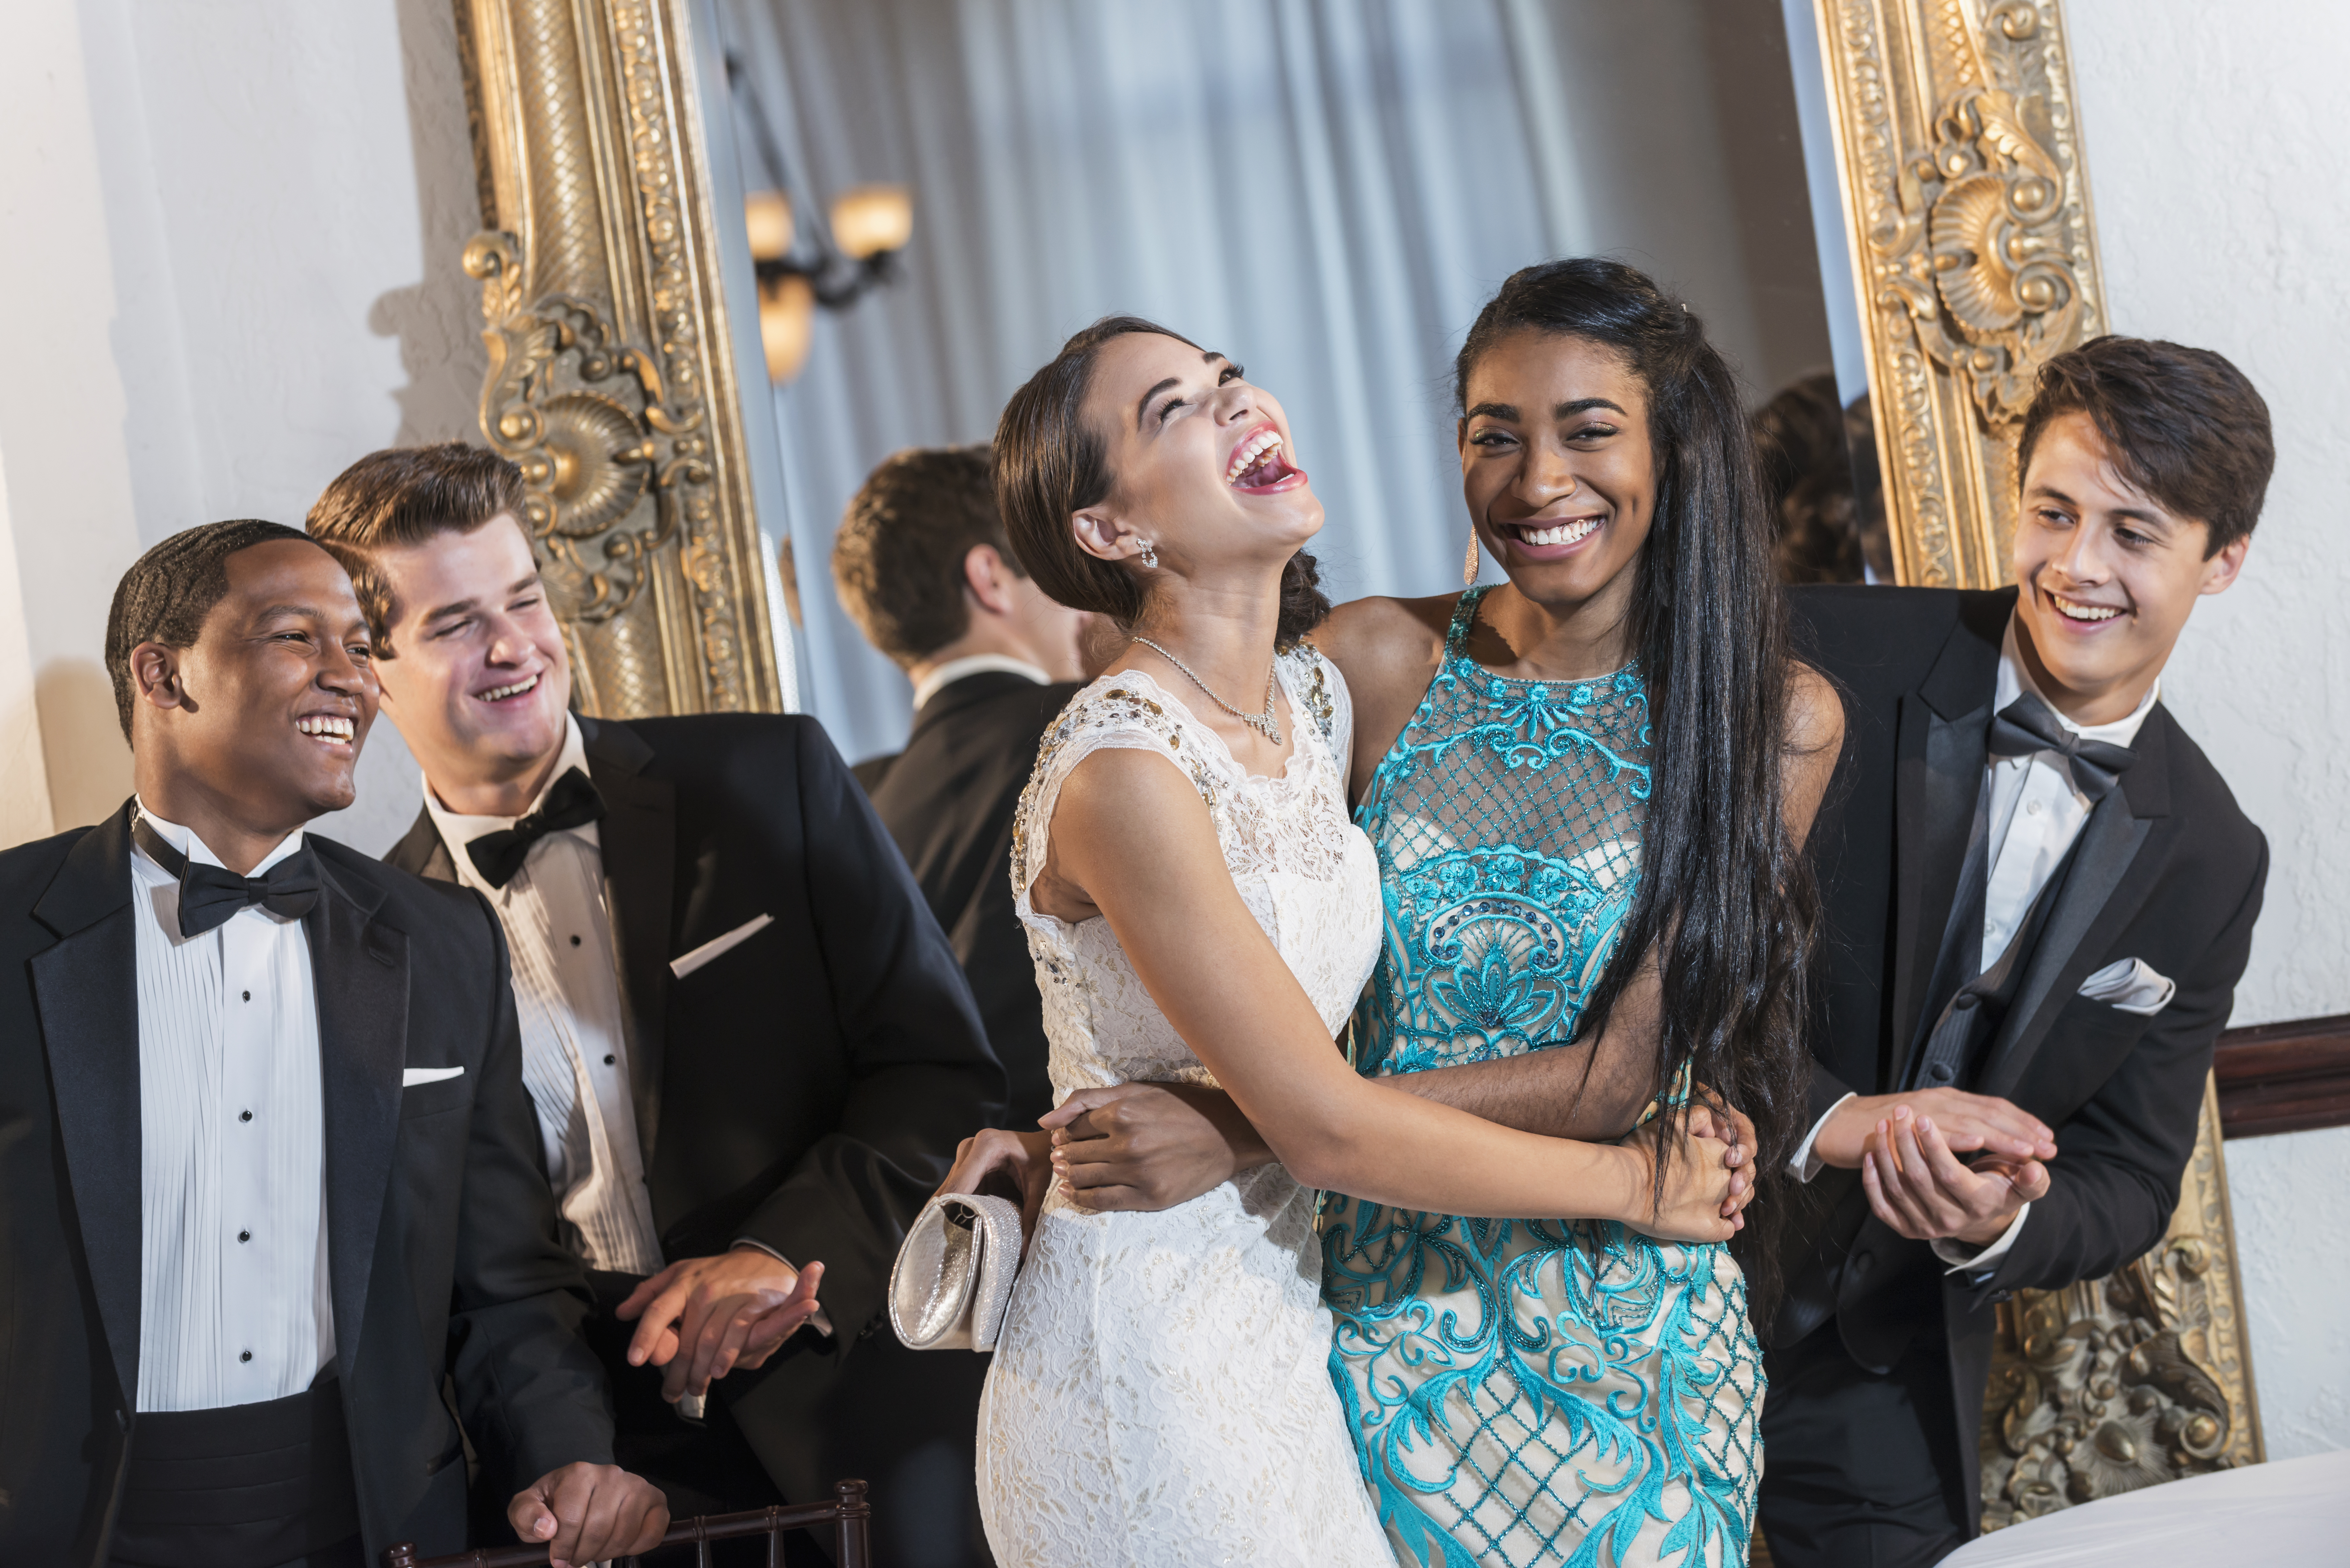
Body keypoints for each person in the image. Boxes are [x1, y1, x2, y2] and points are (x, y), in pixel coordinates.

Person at [992, 261, 1843, 1567]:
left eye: (1587, 431)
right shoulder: (1368, 667)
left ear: (1672, 451)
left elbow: (1621, 1075)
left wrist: (1235, 1132)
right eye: (1493, 436)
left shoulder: (1770, 719)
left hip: (1631, 1315)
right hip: (1366, 1328)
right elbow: (1163, 952)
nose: (1537, 479)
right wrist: (1043, 1135)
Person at [305, 447, 1007, 1567]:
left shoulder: (773, 771)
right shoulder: (364, 952)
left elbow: (941, 1072)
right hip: (610, 1487)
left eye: (525, 599)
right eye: (453, 626)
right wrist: (564, 1451)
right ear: (368, 669)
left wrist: (782, 1251)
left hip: (866, 1412)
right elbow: (457, 1268)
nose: (513, 646)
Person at [0, 521, 667, 1568]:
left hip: (376, 1524)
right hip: (72, 1530)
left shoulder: (445, 942)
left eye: (360, 646)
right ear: (163, 674)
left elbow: (503, 1280)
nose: (349, 679)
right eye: (294, 637)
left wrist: (566, 1453)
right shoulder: (8, 928)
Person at [1757, 335, 2272, 1565]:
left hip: (1879, 1360)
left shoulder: (2213, 855)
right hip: (1651, 1266)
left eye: (2134, 534)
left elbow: (2135, 1176)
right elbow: (1656, 953)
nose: (2077, 567)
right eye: (2054, 512)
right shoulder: (1822, 651)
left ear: (2223, 562)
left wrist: (1993, 1223)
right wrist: (1836, 1119)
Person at [833, 444, 1094, 1127]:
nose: (1082, 596)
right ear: (990, 577)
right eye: (1056, 561)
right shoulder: (1093, 726)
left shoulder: (858, 801)